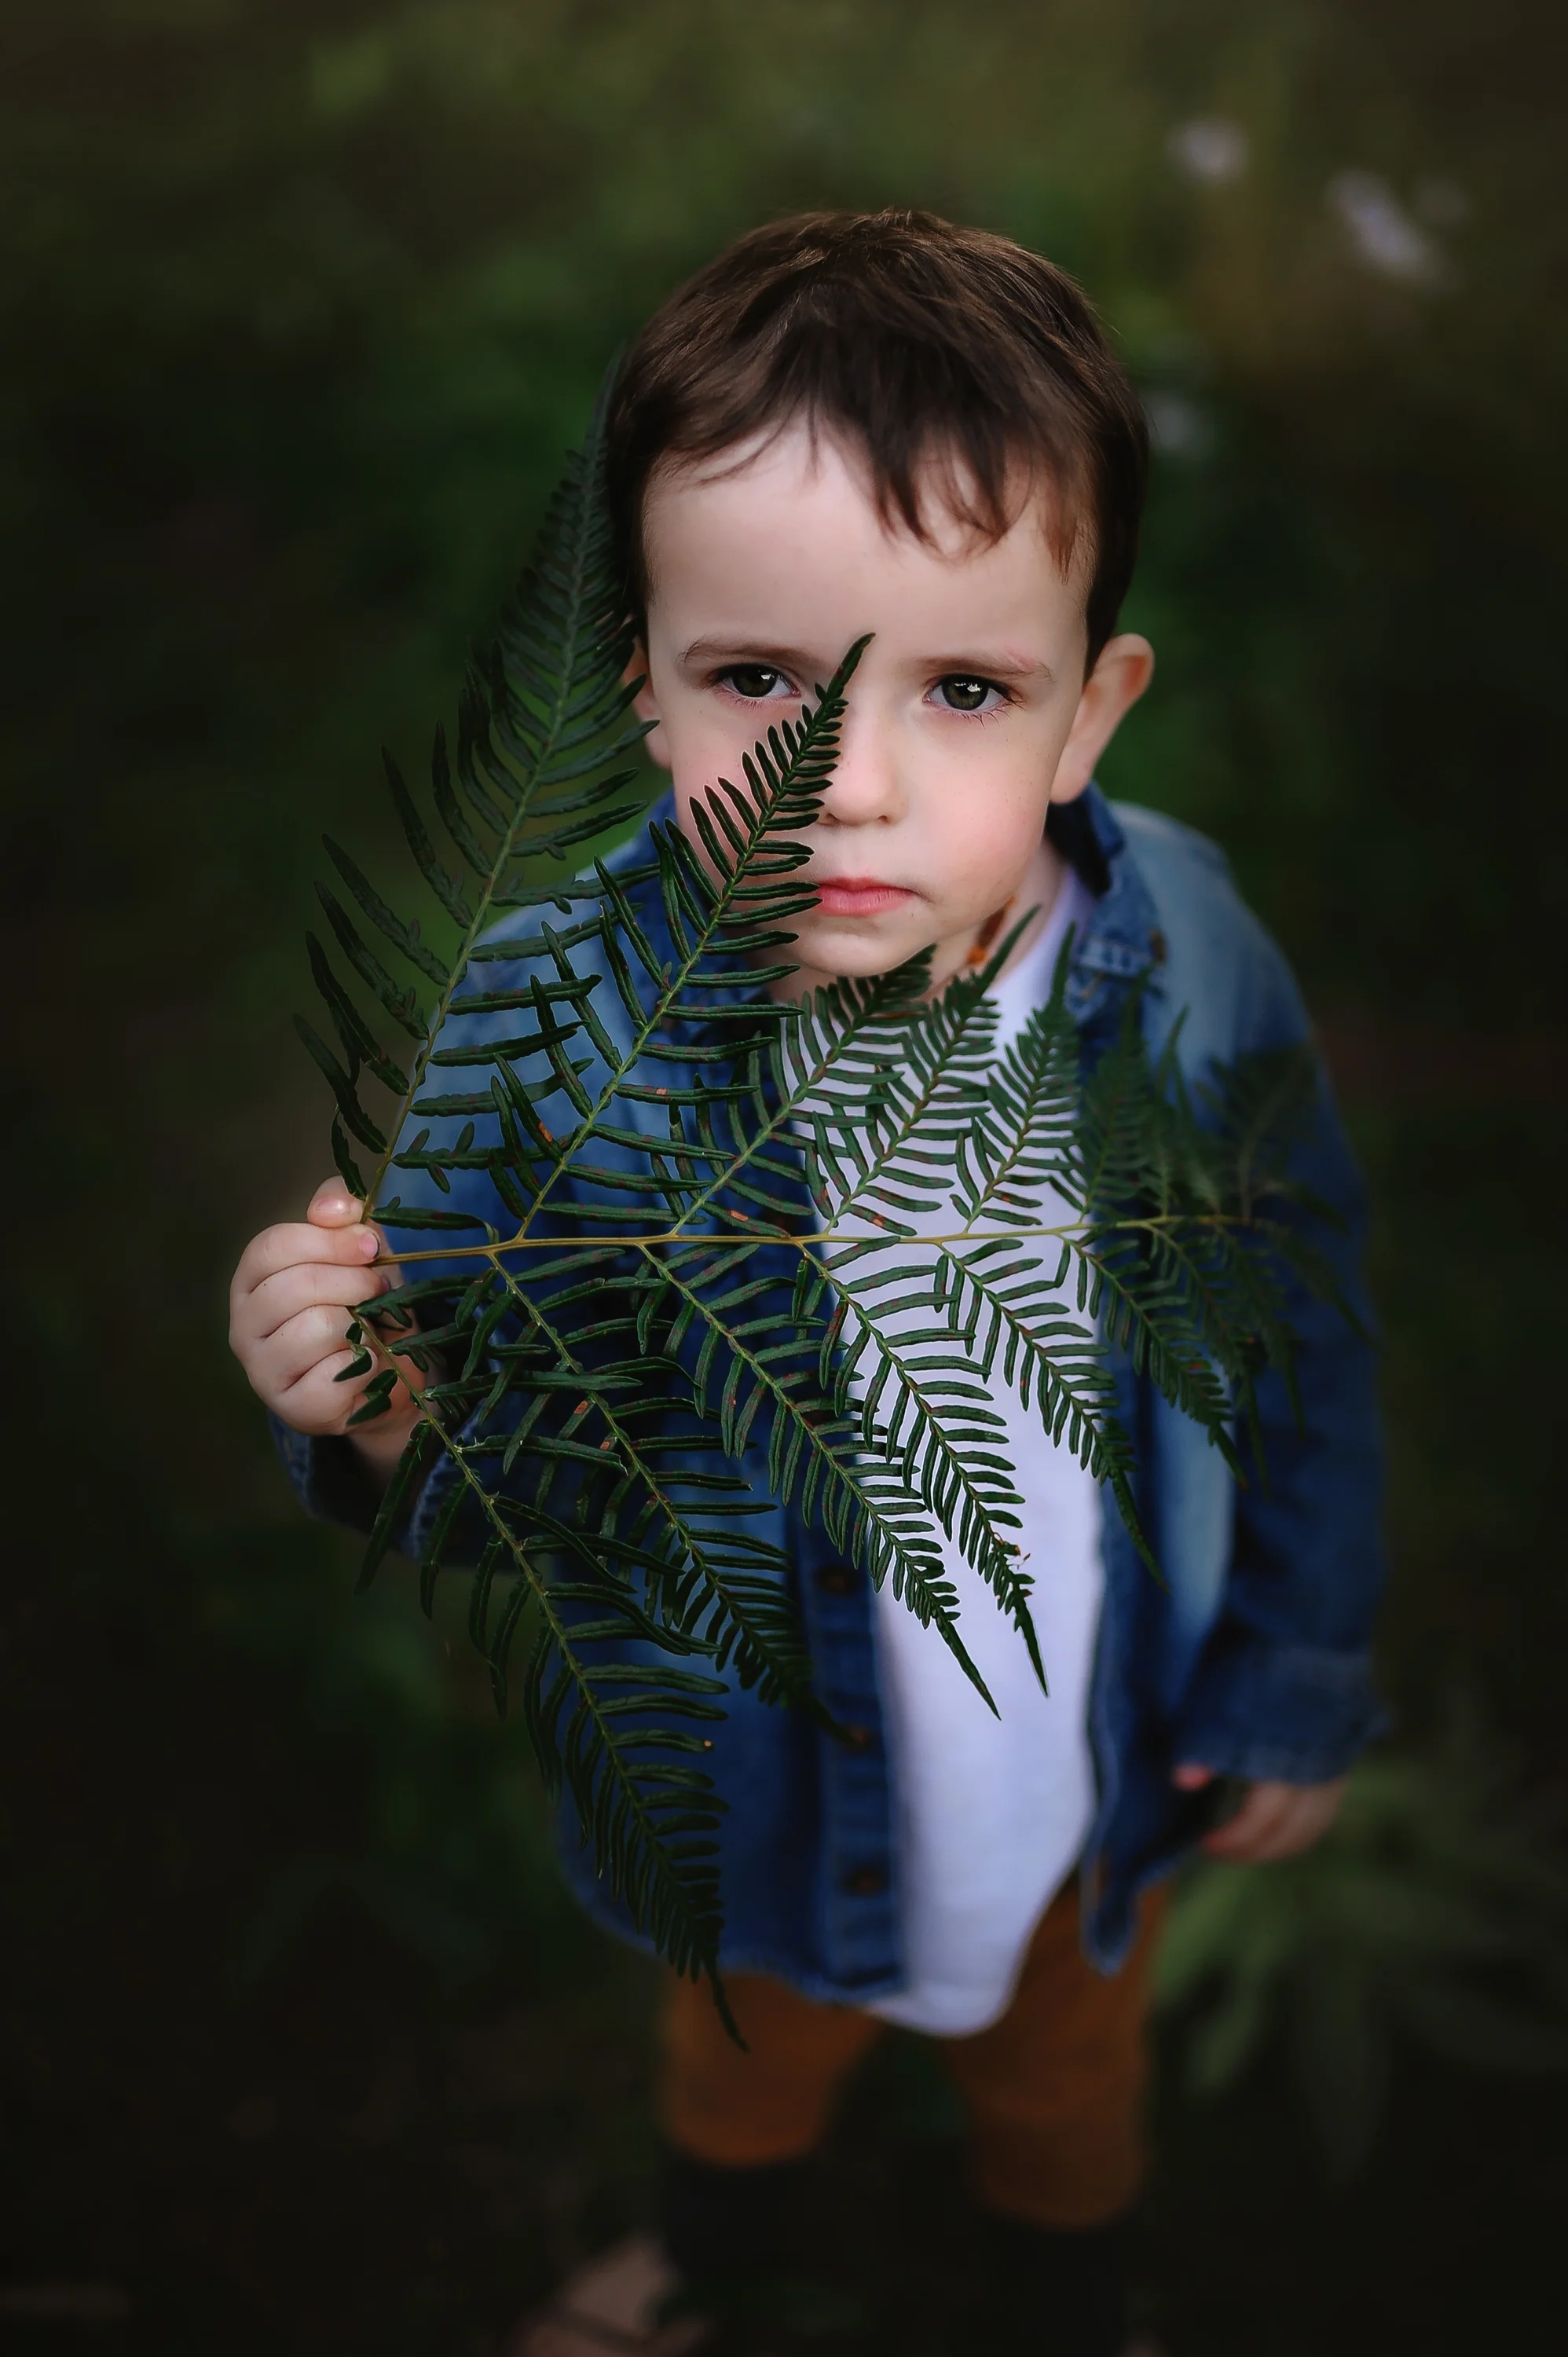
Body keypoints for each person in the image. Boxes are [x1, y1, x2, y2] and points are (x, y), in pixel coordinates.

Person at [229, 211, 1383, 2355]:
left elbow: (1290, 1317)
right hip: (752, 1782)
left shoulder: (1186, 955)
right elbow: (520, 1453)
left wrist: (1291, 1664)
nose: (840, 784)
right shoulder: (550, 1011)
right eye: (759, 678)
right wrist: (381, 1404)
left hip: (1083, 1760)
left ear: (1085, 714)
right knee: (739, 2053)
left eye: (958, 689)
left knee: (1062, 2082)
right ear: (641, 685)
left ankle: (1071, 2293)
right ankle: (704, 2254)